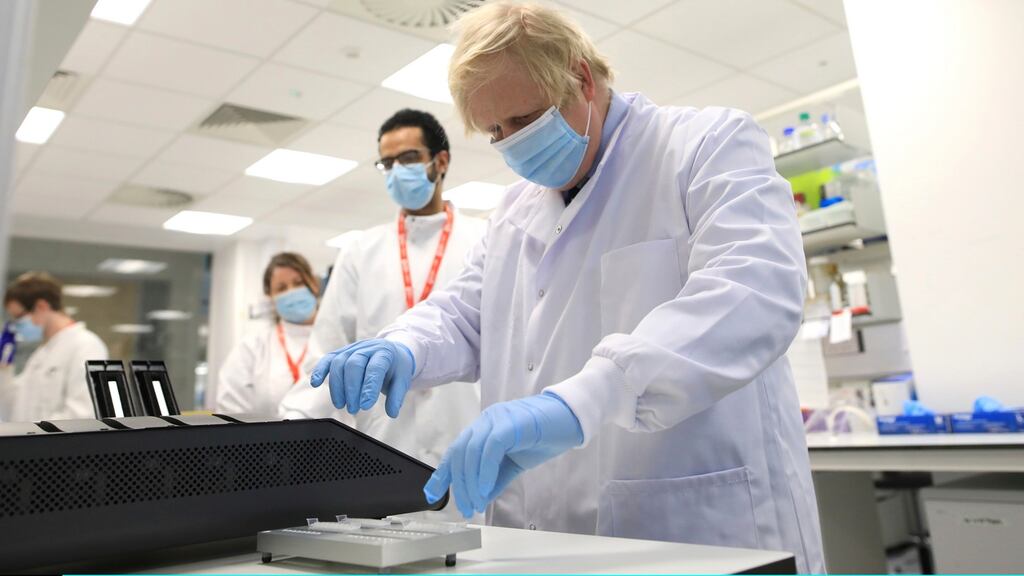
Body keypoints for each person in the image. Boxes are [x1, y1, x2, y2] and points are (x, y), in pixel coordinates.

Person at [307, 3, 826, 572]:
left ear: (580, 77)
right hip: (544, 536)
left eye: (523, 120)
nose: (511, 144)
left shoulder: (704, 145)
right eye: (495, 131)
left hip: (700, 524)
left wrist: (579, 402)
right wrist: (404, 345)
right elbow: (464, 313)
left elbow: (754, 290)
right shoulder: (513, 213)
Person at [279, 109, 486, 471]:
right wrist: (287, 430)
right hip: (384, 445)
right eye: (387, 163)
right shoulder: (361, 251)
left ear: (440, 162)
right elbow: (327, 351)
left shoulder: (484, 239)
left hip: (468, 439)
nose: (397, 170)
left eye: (408, 158)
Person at [216, 252, 321, 416]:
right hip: (267, 441)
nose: (292, 292)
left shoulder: (339, 339)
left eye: (298, 283)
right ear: (270, 297)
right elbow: (231, 410)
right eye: (281, 288)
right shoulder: (253, 347)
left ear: (313, 284)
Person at [1, 272, 108, 421]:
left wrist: (33, 435)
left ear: (41, 306)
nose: (17, 325)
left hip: (53, 443)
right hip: (31, 441)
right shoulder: (41, 353)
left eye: (19, 317)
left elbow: (82, 414)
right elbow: (15, 407)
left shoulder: (86, 346)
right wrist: (4, 368)